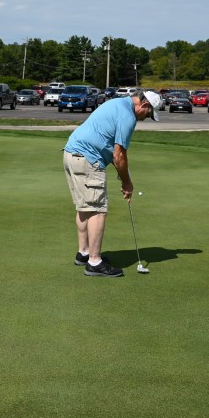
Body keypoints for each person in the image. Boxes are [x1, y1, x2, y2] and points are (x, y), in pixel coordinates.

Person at [62, 89, 161, 277]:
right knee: (98, 210)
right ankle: (94, 262)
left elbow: (117, 155)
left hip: (71, 154)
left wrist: (123, 176)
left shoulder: (117, 103)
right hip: (88, 158)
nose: (145, 119)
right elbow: (119, 156)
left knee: (85, 207)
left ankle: (84, 253)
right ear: (145, 105)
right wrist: (127, 183)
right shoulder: (128, 116)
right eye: (148, 115)